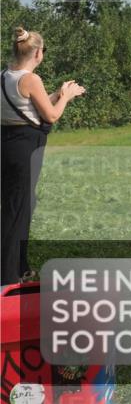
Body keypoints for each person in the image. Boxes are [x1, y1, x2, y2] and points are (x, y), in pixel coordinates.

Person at [1, 28, 86, 286]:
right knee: (18, 210)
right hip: (26, 148)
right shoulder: (31, 79)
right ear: (38, 53)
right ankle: (8, 276)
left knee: (18, 205)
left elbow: (30, 105)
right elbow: (51, 115)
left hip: (8, 144)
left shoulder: (5, 75)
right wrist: (67, 97)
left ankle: (19, 266)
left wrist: (58, 94)